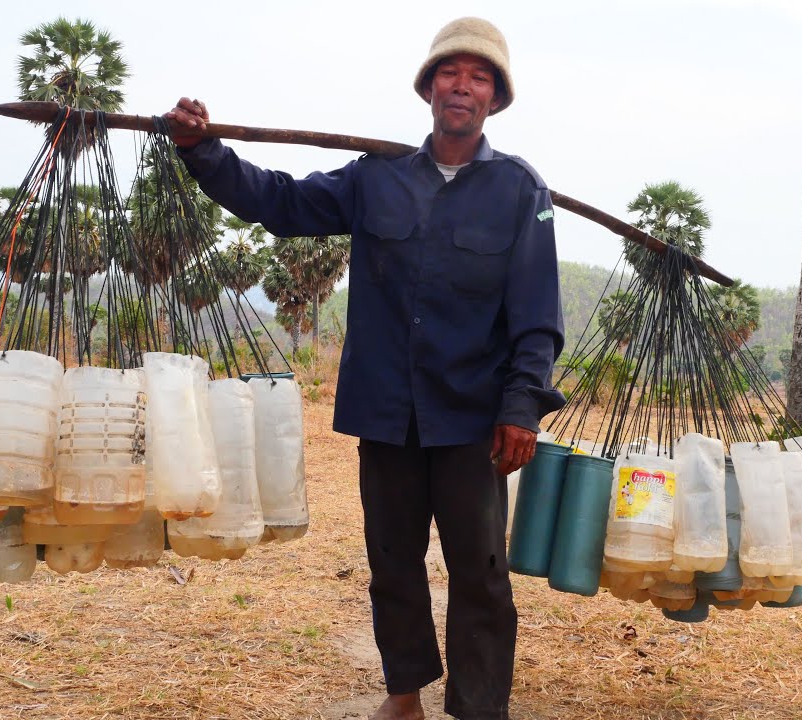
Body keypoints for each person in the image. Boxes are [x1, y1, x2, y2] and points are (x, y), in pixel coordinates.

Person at [166, 17, 565, 720]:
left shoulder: (519, 192)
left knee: (481, 571)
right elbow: (282, 203)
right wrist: (206, 153)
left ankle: (477, 708)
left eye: (478, 77)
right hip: (387, 411)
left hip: (473, 416)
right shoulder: (374, 177)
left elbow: (536, 314)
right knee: (393, 560)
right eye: (450, 72)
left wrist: (521, 407)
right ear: (429, 88)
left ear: (495, 98)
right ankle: (404, 694)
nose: (461, 86)